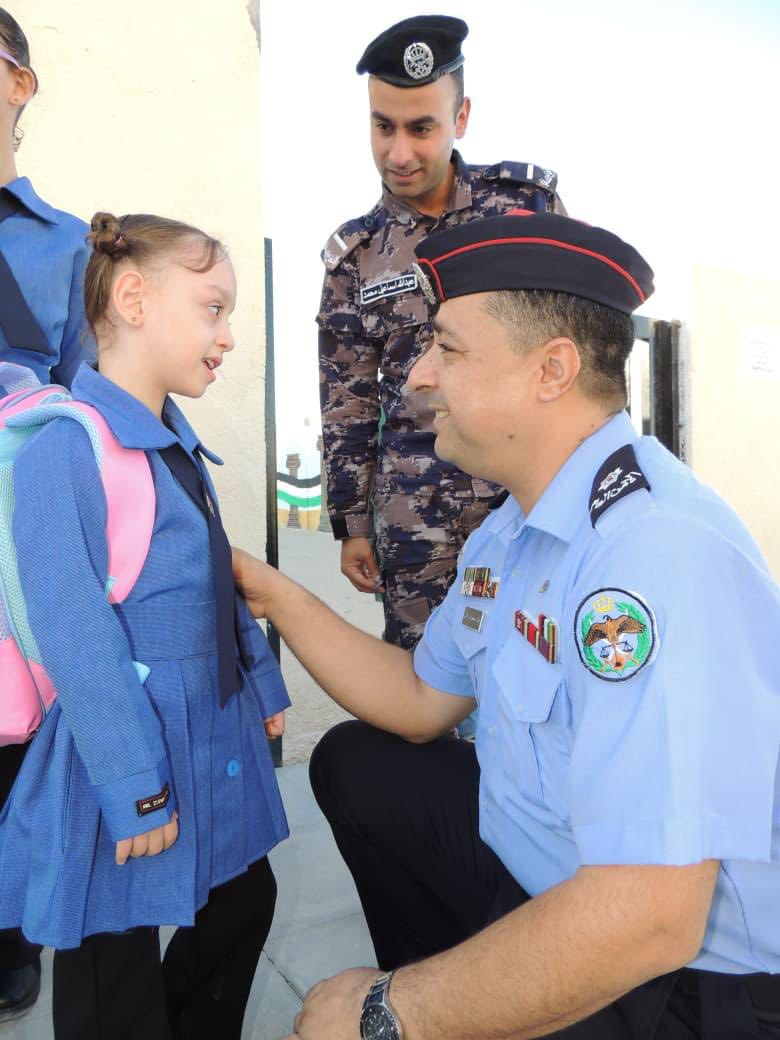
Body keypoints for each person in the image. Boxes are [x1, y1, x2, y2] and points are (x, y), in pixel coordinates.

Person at [235, 211, 780, 1038]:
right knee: (361, 765)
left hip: (672, 974)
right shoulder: (516, 527)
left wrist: (387, 1013)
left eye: (448, 349)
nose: (418, 376)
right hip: (541, 872)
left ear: (551, 370)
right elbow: (421, 699)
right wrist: (272, 592)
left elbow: (653, 915)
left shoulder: (653, 552)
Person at [0, 212, 290, 1040]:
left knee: (244, 899)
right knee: (111, 963)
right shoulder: (66, 451)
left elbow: (213, 576)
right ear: (132, 300)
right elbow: (78, 637)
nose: (227, 336)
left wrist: (263, 684)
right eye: (213, 309)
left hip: (208, 729)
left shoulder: (173, 444)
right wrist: (137, 789)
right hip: (123, 751)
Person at [318, 14, 565, 651]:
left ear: (461, 117)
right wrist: (352, 522)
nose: (399, 153)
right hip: (416, 517)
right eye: (383, 126)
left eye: (421, 128)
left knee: (537, 663)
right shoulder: (355, 257)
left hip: (526, 499)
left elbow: (577, 350)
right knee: (423, 680)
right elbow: (347, 404)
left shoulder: (524, 210)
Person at [0, 6, 96, 1022]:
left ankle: (9, 932)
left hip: (15, 559)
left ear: (19, 83)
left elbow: (94, 413)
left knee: (16, 744)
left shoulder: (72, 249)